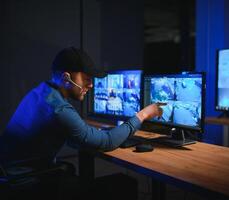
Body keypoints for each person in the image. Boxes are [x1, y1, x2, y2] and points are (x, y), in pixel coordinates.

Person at [0, 47, 164, 199]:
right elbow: (107, 142)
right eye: (86, 78)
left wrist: (88, 131)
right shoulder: (58, 108)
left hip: (11, 177)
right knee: (121, 186)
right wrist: (143, 115)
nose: (91, 85)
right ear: (66, 78)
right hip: (26, 185)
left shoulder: (42, 92)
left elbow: (66, 133)